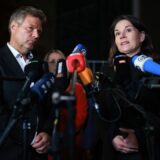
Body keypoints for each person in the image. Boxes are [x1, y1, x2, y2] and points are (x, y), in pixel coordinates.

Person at [96, 14, 160, 160]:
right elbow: (99, 113)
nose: (122, 36)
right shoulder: (106, 72)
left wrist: (141, 137)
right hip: (113, 152)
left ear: (142, 36)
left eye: (128, 30)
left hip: (149, 150)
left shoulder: (154, 68)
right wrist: (112, 137)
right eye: (117, 33)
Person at [0, 6, 53, 160]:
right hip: (7, 152)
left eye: (39, 32)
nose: (36, 35)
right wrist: (27, 137)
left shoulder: (40, 65)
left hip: (37, 154)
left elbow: (48, 106)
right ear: (13, 27)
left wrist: (47, 132)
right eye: (30, 29)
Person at [44, 49, 88, 160]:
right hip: (46, 147)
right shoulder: (42, 88)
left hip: (71, 145)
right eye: (52, 62)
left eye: (60, 61)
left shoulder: (76, 87)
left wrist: (54, 131)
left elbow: (80, 119)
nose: (57, 65)